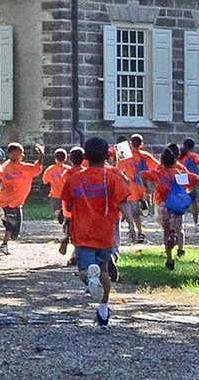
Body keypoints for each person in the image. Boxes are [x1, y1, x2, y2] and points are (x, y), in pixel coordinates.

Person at [61, 137, 131, 329]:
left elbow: (67, 203)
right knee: (105, 272)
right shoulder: (112, 177)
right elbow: (123, 202)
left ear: (85, 156)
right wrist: (132, 225)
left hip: (83, 233)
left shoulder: (75, 179)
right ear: (107, 155)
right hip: (105, 233)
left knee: (84, 271)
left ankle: (90, 279)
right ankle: (103, 311)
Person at [0, 142, 44, 255]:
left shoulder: (25, 167)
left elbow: (37, 168)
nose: (22, 155)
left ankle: (1, 218)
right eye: (20, 153)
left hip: (14, 201)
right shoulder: (4, 167)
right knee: (14, 226)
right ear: (12, 154)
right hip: (7, 200)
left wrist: (41, 155)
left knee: (13, 227)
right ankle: (2, 225)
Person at [141, 147, 199, 269]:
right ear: (174, 162)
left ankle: (169, 259)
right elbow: (196, 178)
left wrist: (147, 187)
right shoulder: (179, 174)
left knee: (165, 232)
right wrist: (188, 188)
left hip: (162, 203)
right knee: (176, 226)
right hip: (176, 204)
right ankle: (175, 235)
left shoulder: (159, 173)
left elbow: (143, 174)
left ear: (161, 162)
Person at [117, 134, 159, 244]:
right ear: (142, 144)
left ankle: (138, 231)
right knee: (141, 207)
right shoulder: (146, 155)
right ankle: (145, 203)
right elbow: (157, 166)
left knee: (134, 212)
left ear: (130, 144)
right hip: (144, 186)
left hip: (132, 187)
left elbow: (119, 169)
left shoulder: (126, 156)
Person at [59, 145, 85, 257]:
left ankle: (66, 237)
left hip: (68, 206)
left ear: (70, 159)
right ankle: (75, 253)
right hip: (82, 207)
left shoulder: (67, 174)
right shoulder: (86, 172)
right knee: (80, 231)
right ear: (83, 159)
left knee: (69, 225)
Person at [179, 138, 199, 232]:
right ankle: (195, 223)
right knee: (194, 202)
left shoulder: (179, 156)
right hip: (189, 182)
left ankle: (179, 223)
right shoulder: (192, 156)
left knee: (179, 202)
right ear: (193, 147)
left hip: (179, 181)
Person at [42, 148, 69, 225]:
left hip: (55, 195)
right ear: (66, 158)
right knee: (67, 212)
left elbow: (45, 181)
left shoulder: (50, 169)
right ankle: (64, 217)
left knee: (56, 209)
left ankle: (59, 214)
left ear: (55, 158)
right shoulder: (68, 169)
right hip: (66, 195)